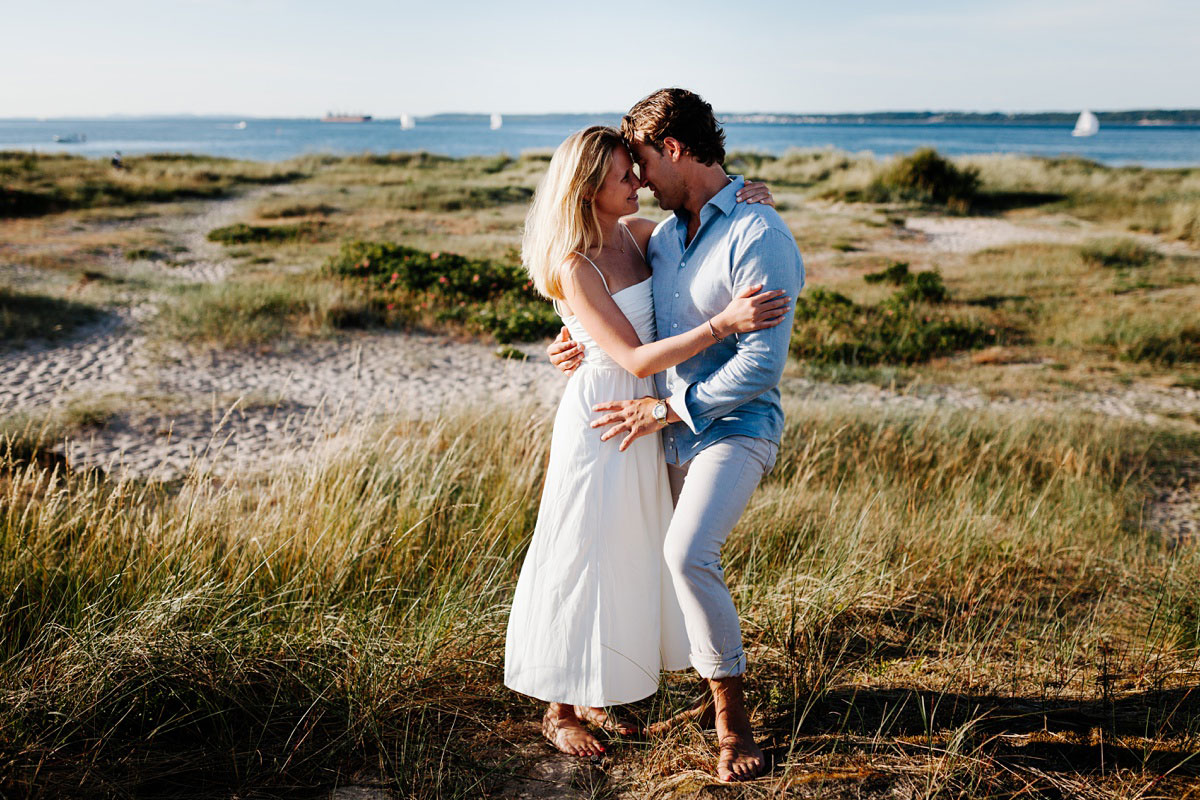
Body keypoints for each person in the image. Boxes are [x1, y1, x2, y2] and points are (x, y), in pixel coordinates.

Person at [504, 125, 789, 762]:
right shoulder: (574, 262)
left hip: (651, 418)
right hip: (606, 415)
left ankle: (603, 690)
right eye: (622, 177)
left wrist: (746, 195)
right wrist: (723, 324)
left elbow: (698, 236)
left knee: (630, 550)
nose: (637, 182)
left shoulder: (641, 237)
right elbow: (631, 355)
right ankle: (559, 709)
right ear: (586, 190)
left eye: (636, 169)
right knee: (580, 546)